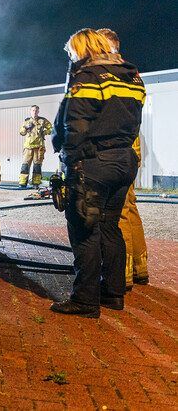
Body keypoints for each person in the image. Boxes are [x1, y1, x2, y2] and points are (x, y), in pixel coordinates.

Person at [50, 28, 145, 318]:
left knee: (84, 232)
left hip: (92, 163)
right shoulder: (131, 76)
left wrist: (69, 163)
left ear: (82, 48)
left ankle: (85, 300)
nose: (72, 57)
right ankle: (113, 294)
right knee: (109, 228)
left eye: (72, 52)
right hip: (124, 160)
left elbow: (75, 125)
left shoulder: (88, 77)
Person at [98, 28, 149, 288]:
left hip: (120, 149)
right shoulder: (131, 74)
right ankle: (139, 268)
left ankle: (123, 274)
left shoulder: (115, 75)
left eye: (100, 46)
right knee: (130, 208)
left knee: (119, 214)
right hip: (130, 148)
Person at [18, 105, 53, 188]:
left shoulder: (42, 120)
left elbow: (51, 129)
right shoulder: (26, 121)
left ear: (38, 111)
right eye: (33, 110)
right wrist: (26, 127)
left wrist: (44, 132)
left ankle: (36, 183)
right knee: (25, 165)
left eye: (36, 110)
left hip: (39, 147)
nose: (35, 112)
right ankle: (23, 183)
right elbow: (22, 133)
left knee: (37, 166)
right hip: (28, 147)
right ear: (30, 111)